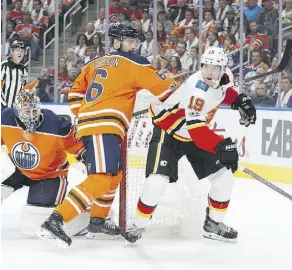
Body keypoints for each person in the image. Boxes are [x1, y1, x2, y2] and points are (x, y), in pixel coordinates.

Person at [38, 23, 179, 248]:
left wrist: (84, 114)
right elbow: (167, 91)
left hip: (95, 124)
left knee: (115, 175)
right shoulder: (136, 63)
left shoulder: (93, 63)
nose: (134, 44)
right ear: (116, 42)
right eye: (129, 40)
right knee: (101, 178)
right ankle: (56, 220)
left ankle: (97, 221)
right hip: (104, 125)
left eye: (135, 41)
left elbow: (74, 92)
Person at [123, 47, 257, 244]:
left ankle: (214, 225)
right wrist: (222, 146)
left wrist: (238, 99)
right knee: (156, 182)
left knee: (225, 178)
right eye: (206, 67)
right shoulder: (197, 90)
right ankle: (138, 225)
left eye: (215, 68)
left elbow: (223, 91)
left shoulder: (224, 77)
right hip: (169, 132)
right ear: (201, 66)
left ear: (223, 69)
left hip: (195, 135)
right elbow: (196, 130)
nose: (210, 72)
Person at [1, 84, 85, 237]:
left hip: (49, 175)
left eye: (35, 110)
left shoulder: (55, 125)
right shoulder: (5, 119)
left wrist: (87, 158)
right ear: (18, 111)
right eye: (27, 111)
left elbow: (78, 144)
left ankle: (83, 220)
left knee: (37, 220)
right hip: (19, 170)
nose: (32, 115)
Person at [1, 39, 28, 109]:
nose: (20, 53)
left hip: (17, 110)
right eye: (17, 50)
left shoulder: (24, 70)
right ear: (11, 51)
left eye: (22, 51)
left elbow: (24, 89)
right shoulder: (3, 66)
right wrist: (3, 105)